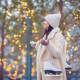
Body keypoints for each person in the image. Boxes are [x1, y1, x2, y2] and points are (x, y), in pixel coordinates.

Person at [30, 13, 67, 80]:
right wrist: (38, 45)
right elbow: (45, 51)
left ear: (50, 23)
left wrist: (48, 44)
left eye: (45, 21)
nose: (43, 23)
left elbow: (58, 53)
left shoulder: (58, 36)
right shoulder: (47, 36)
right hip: (44, 73)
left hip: (53, 75)